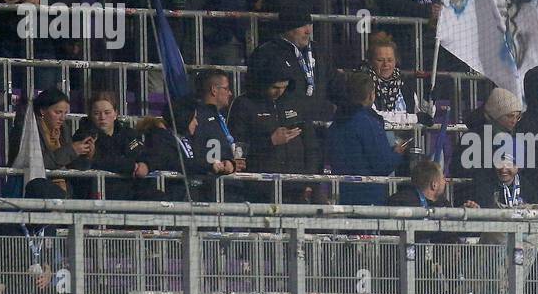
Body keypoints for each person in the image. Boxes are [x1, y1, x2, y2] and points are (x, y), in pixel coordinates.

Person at [228, 66, 317, 203]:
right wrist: (270, 141)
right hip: (259, 188)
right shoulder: (244, 104)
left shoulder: (297, 102)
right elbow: (236, 147)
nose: (279, 92)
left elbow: (311, 146)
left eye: (284, 87)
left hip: (295, 188)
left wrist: (310, 181)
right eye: (275, 87)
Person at [326, 72, 411, 205]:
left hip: (342, 195)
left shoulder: (336, 122)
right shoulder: (368, 122)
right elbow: (383, 164)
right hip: (369, 195)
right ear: (371, 95)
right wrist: (397, 153)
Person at [138, 97, 240, 201]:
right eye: (194, 118)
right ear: (184, 118)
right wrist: (210, 166)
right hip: (172, 202)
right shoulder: (161, 140)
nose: (196, 123)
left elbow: (198, 160)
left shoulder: (186, 139)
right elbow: (180, 163)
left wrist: (225, 163)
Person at [8, 88, 95, 196]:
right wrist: (72, 150)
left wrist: (86, 156)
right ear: (42, 111)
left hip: (63, 188)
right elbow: (38, 162)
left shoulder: (63, 130)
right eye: (58, 112)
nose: (62, 118)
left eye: (65, 113)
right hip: (34, 189)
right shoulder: (27, 130)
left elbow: (70, 165)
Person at [69, 91, 152, 201]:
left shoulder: (128, 133)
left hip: (132, 188)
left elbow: (143, 154)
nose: (102, 117)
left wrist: (145, 165)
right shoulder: (83, 136)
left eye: (107, 112)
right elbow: (96, 161)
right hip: (101, 191)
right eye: (97, 113)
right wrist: (131, 166)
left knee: (158, 196)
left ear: (115, 114)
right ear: (90, 115)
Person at [453, 85, 522, 207]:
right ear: (497, 114)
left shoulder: (509, 137)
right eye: (510, 116)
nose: (514, 121)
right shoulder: (473, 139)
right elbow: (462, 170)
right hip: (474, 200)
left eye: (517, 117)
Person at [387, 159, 478, 210]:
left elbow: (451, 234)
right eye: (442, 178)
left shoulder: (443, 203)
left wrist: (462, 213)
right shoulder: (402, 202)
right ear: (434, 185)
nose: (445, 182)